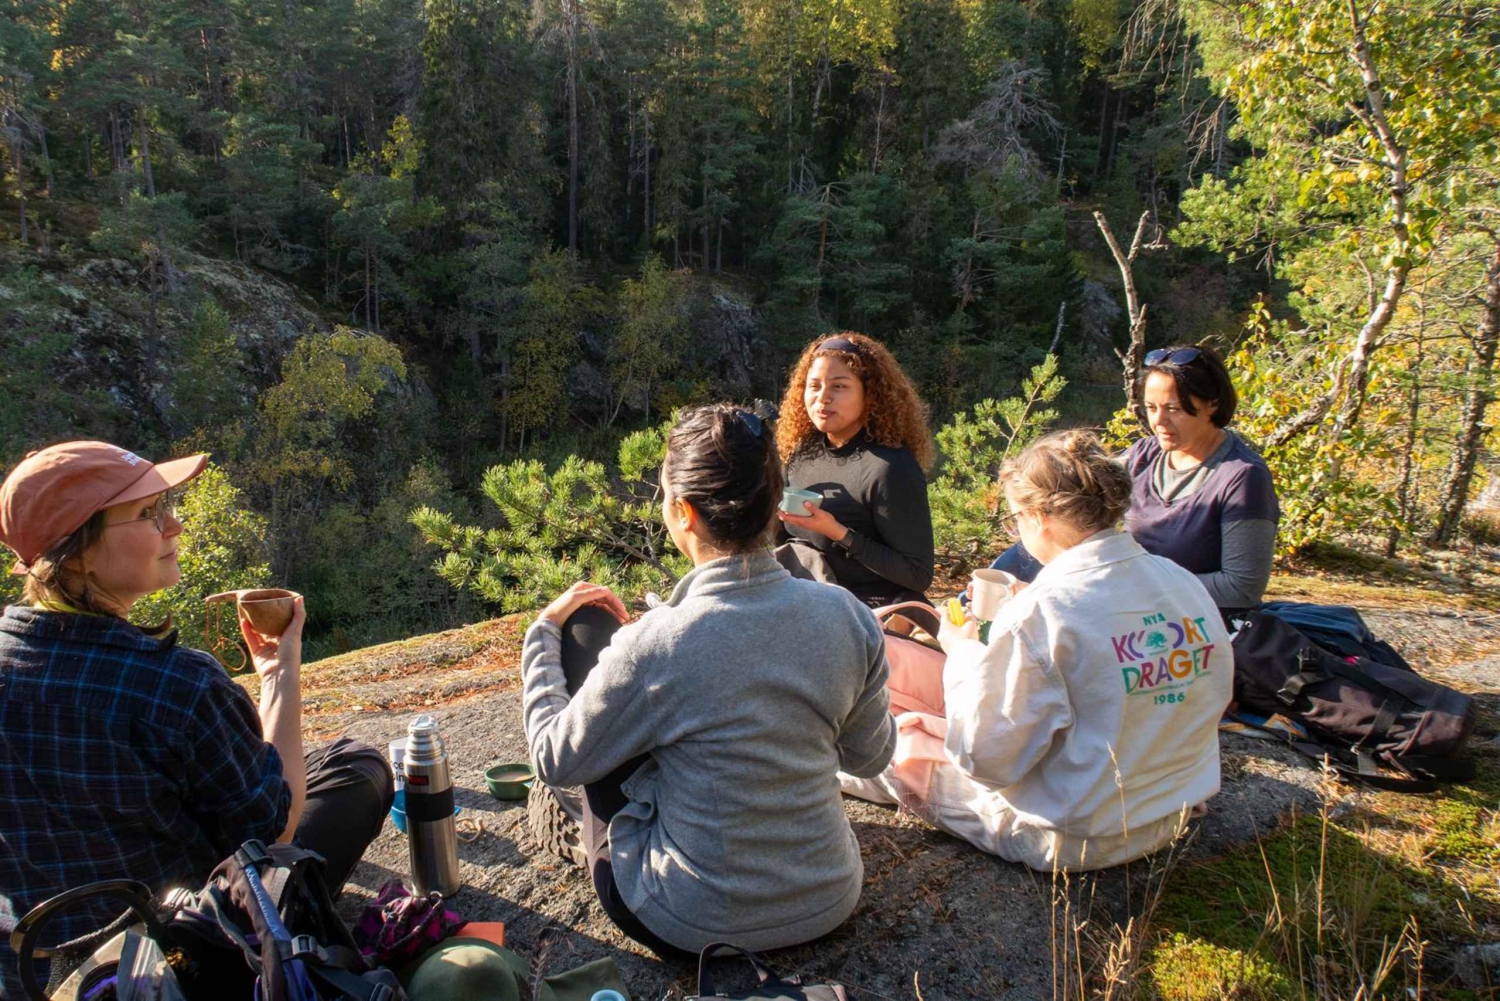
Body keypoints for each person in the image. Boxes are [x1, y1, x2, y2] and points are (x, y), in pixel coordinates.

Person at [0, 442, 393, 994]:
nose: (175, 524)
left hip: (36, 973)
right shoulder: (174, 683)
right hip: (180, 960)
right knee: (356, 767)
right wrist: (280, 672)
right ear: (78, 551)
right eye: (148, 513)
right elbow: (272, 829)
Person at [522, 404, 896, 956]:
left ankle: (599, 833)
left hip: (691, 923)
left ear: (681, 512)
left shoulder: (656, 645)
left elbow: (554, 759)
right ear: (776, 502)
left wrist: (541, 634)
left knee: (584, 630)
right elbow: (868, 758)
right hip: (828, 899)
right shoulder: (846, 615)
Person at [845, 431, 1232, 871]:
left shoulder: (1043, 610)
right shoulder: (1177, 579)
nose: (1016, 531)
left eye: (1014, 520)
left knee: (889, 746)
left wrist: (964, 651)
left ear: (1039, 516)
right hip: (1169, 810)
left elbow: (984, 759)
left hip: (1074, 834)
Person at [990, 344, 1279, 616]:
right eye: (1151, 408)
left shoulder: (1241, 477)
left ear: (1212, 404)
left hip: (1198, 626)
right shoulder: (1145, 454)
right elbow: (1077, 496)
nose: (1159, 422)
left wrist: (1128, 586)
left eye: (1173, 409)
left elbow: (1241, 588)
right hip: (1128, 607)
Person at [774, 333, 936, 609]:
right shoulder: (799, 453)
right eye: (814, 386)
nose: (822, 398)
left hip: (872, 611)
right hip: (807, 600)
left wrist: (838, 532)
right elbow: (786, 540)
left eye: (839, 386)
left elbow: (918, 575)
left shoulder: (889, 468)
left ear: (870, 394)